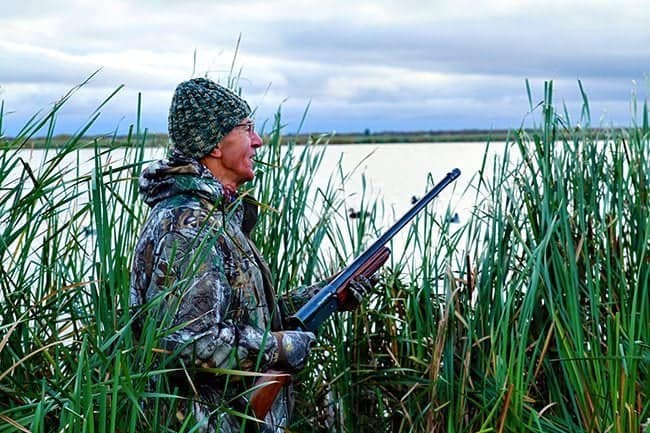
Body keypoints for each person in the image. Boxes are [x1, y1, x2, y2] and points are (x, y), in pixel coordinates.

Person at [130, 77, 373, 432]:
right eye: (247, 129)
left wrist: (329, 295)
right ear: (214, 143)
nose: (258, 141)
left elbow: (244, 315)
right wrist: (283, 346)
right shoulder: (187, 226)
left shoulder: (215, 216)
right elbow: (192, 342)